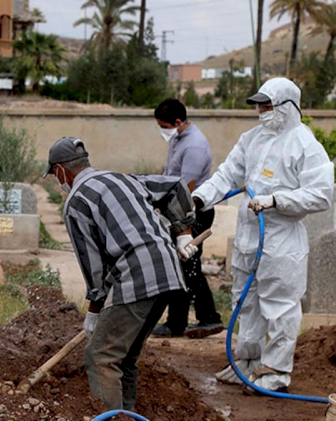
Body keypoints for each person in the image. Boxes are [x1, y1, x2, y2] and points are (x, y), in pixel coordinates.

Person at [193, 78, 333, 392]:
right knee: (246, 303)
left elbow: (322, 195)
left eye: (267, 105)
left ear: (288, 106)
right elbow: (229, 173)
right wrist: (200, 198)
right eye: (259, 105)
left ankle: (276, 371)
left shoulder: (305, 145)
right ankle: (247, 361)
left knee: (279, 307)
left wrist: (278, 200)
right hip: (248, 239)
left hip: (281, 241)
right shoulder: (252, 138)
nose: (261, 111)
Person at [44, 136, 195, 411]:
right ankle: (126, 414)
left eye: (55, 174)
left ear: (62, 170)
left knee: (101, 356)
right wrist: (183, 234)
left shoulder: (76, 202)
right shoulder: (124, 179)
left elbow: (93, 266)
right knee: (124, 357)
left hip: (137, 276)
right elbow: (175, 185)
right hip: (169, 271)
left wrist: (93, 309)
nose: (58, 181)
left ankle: (110, 418)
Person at [152, 98, 224, 339]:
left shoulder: (195, 146)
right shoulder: (179, 139)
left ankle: (205, 319)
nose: (162, 131)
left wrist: (165, 209)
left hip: (193, 212)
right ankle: (179, 322)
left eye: (164, 126)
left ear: (178, 122)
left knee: (188, 266)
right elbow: (169, 174)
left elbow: (186, 188)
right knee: (181, 266)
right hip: (179, 210)